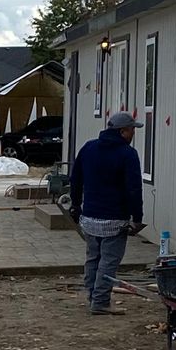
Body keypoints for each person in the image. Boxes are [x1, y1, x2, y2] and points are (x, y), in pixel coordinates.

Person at [69, 109, 144, 314]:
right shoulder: (127, 154)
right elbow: (134, 189)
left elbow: (76, 179)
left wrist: (76, 205)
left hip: (90, 216)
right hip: (114, 218)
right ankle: (100, 302)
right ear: (122, 131)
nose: (133, 134)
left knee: (93, 258)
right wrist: (137, 218)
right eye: (131, 130)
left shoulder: (89, 148)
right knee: (109, 261)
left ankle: (92, 296)